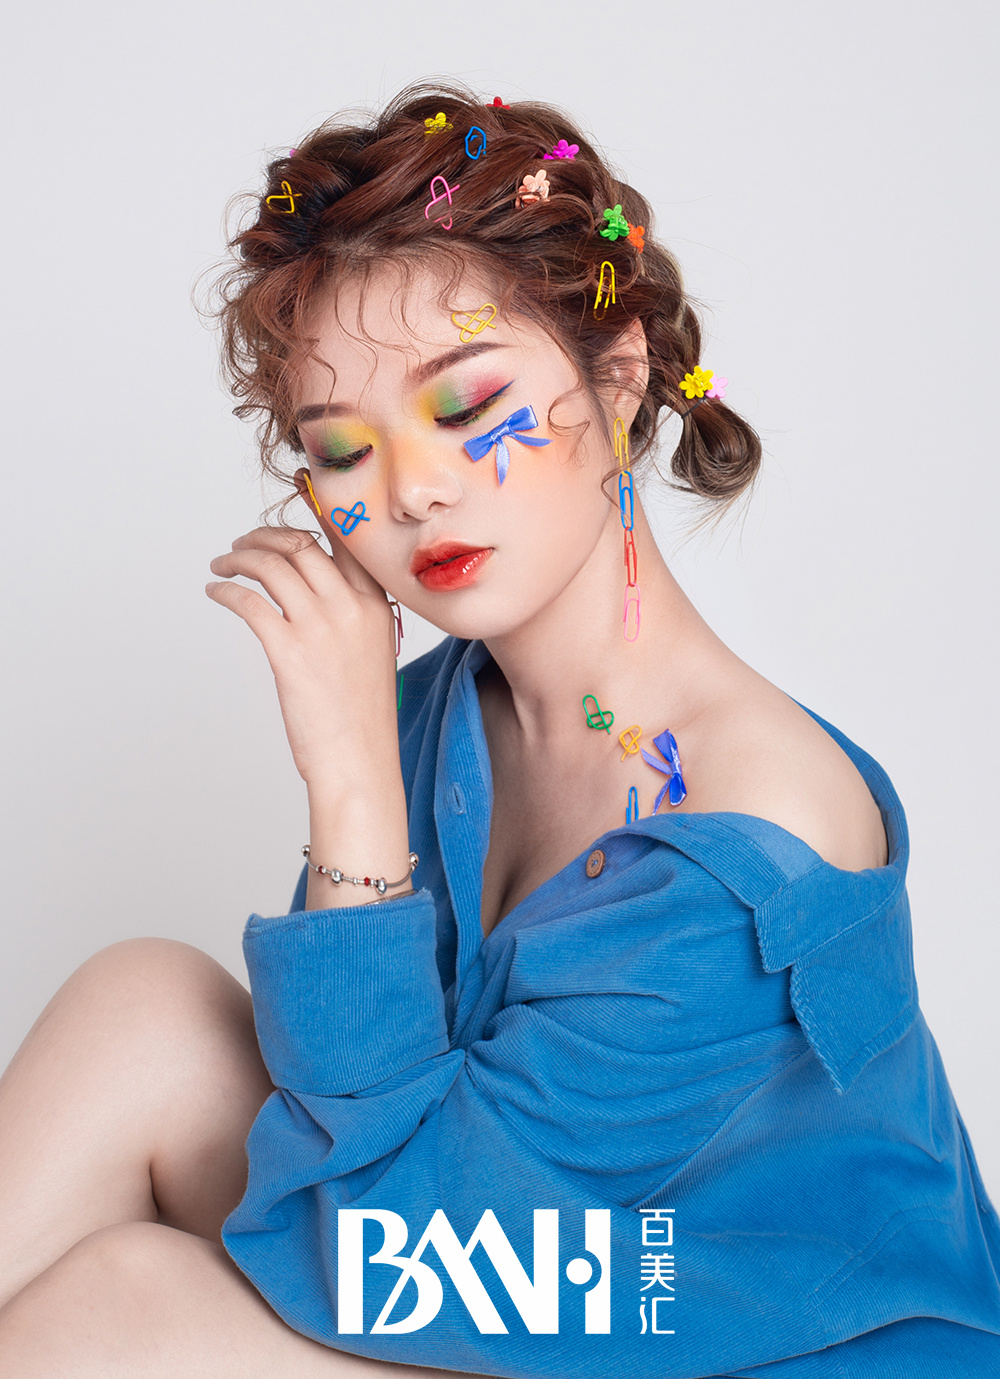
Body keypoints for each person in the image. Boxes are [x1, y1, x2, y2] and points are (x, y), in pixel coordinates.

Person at [0, 82, 998, 1379]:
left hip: (706, 1341)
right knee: (143, 1009)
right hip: (525, 1273)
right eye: (342, 450)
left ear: (620, 375)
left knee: (117, 1309)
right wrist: (371, 762)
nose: (412, 489)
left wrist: (351, 790)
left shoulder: (751, 830)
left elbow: (397, 1252)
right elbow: (358, 1135)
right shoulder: (442, 710)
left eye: (466, 407)